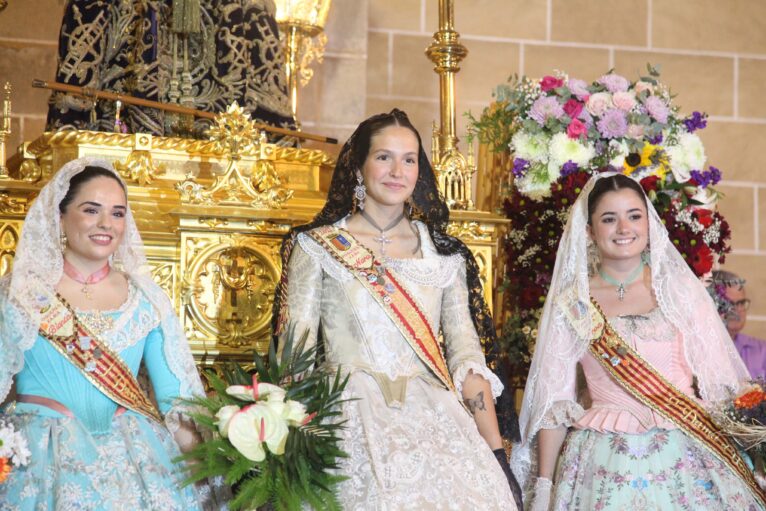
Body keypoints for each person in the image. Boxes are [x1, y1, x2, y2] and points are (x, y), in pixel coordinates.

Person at [271, 109, 521, 510]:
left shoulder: (445, 256)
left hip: (435, 418)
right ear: (359, 165)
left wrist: (495, 455)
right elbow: (294, 354)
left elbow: (467, 358)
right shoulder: (316, 246)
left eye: (409, 159)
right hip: (345, 412)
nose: (397, 171)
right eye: (384, 157)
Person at [512, 173, 765, 510]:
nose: (623, 228)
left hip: (687, 450)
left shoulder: (679, 290)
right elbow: (553, 403)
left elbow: (721, 382)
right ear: (589, 231)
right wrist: (544, 483)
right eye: (608, 219)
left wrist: (751, 453)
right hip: (601, 458)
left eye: (634, 216)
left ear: (649, 223)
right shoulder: (573, 303)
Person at [0, 158, 213, 509]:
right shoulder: (20, 295)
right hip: (39, 463)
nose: (106, 224)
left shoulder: (146, 299)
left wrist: (207, 471)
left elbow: (176, 404)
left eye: (117, 213)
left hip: (135, 464)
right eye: (91, 210)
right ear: (60, 216)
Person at [713, 269, 766, 379]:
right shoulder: (698, 350)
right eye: (728, 304)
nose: (736, 310)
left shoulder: (762, 350)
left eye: (741, 303)